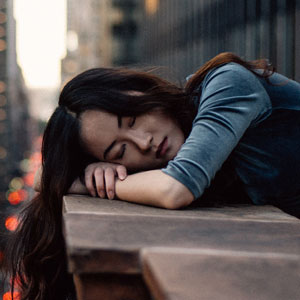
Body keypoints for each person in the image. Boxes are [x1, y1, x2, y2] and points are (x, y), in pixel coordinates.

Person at [4, 52, 300, 300]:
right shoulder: (178, 153)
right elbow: (45, 176)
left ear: (141, 90)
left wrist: (96, 184)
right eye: (120, 151)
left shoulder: (227, 83)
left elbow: (176, 188)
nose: (143, 142)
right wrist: (93, 173)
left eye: (132, 118)